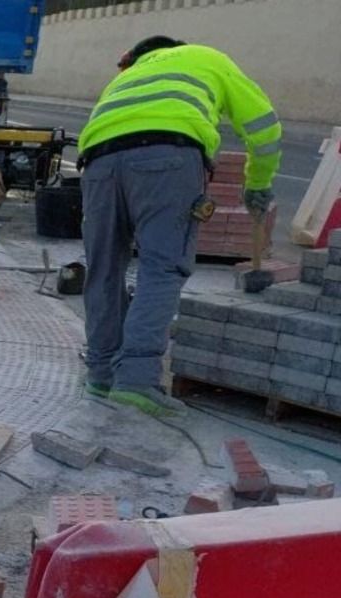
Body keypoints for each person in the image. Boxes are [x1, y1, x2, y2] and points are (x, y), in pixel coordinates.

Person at [77, 36, 280, 417]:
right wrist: (257, 182)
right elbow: (264, 126)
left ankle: (101, 374)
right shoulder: (208, 56)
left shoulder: (128, 77)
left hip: (97, 164)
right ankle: (137, 381)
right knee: (162, 267)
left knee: (103, 268)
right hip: (168, 158)